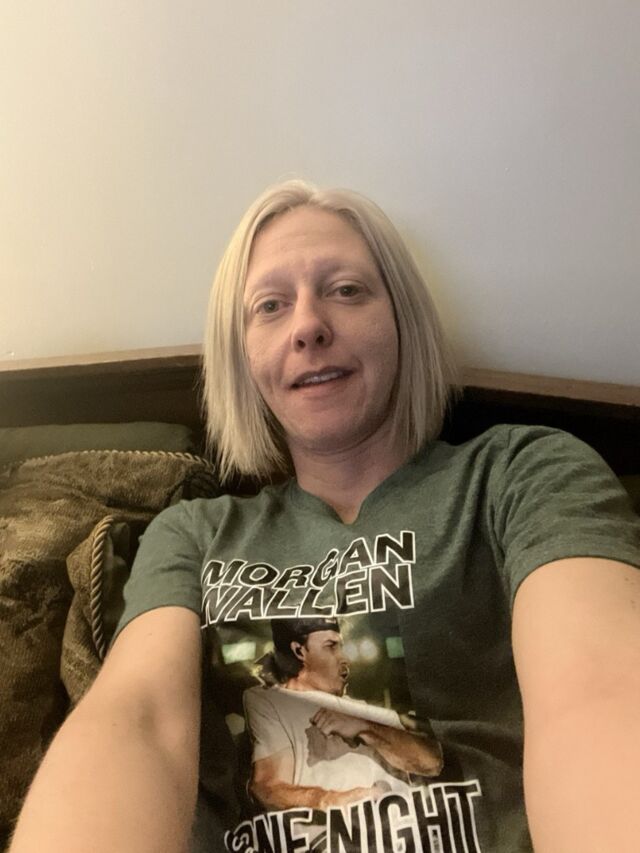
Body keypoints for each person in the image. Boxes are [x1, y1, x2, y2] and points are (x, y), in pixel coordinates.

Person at [9, 179, 640, 853]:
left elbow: (597, 688)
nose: (308, 326)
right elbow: (138, 721)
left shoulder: (522, 474)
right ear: (243, 356)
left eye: (346, 290)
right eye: (270, 306)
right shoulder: (192, 533)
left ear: (401, 319)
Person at [244, 617, 443, 813]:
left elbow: (432, 763)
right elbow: (267, 786)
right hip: (334, 832)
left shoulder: (365, 712)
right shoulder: (270, 701)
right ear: (299, 651)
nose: (344, 658)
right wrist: (331, 801)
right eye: (331, 646)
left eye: (341, 646)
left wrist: (365, 727)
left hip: (400, 829)